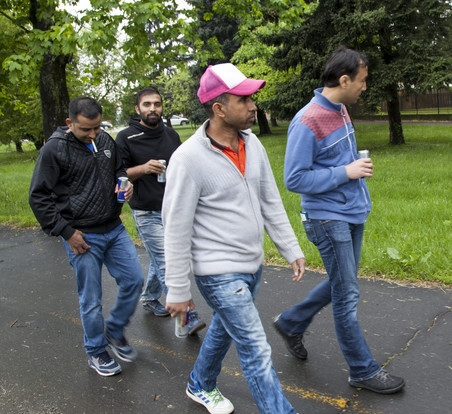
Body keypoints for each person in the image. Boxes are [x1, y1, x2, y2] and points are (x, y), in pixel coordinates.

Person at [163, 63, 306, 414]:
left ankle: (200, 383)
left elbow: (269, 199)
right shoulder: (188, 159)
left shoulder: (252, 143)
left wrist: (290, 248)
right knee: (256, 347)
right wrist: (178, 290)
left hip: (251, 265)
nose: (253, 105)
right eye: (244, 99)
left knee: (226, 329)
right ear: (218, 108)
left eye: (252, 97)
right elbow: (175, 227)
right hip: (217, 273)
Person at [275, 46, 406, 395]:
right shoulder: (307, 120)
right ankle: (362, 370)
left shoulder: (341, 109)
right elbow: (294, 179)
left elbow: (336, 163)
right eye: (362, 80)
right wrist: (346, 172)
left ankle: (291, 322)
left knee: (342, 283)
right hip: (326, 218)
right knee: (347, 293)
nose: (365, 86)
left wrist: (353, 172)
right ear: (344, 79)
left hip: (351, 212)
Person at [29, 97, 144, 376]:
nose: (93, 134)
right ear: (70, 123)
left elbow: (118, 168)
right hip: (81, 235)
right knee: (91, 299)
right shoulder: (54, 150)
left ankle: (114, 330)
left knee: (134, 280)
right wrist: (67, 233)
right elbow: (38, 197)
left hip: (113, 227)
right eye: (85, 130)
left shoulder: (105, 140)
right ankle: (95, 351)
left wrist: (124, 185)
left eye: (97, 127)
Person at [116, 86, 206, 334]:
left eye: (157, 104)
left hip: (173, 208)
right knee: (168, 261)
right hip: (146, 210)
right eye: (147, 104)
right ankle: (186, 319)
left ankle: (148, 297)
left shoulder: (170, 134)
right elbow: (119, 174)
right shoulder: (125, 137)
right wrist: (143, 169)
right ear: (138, 109)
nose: (152, 109)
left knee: (162, 258)